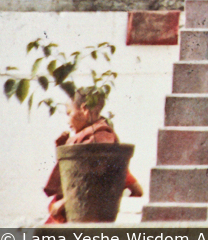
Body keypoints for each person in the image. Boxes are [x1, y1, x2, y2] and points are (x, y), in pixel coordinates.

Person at [43, 89, 143, 224]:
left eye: (69, 113)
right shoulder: (95, 139)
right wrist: (64, 149)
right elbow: (135, 188)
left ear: (84, 110)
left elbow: (94, 181)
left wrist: (64, 202)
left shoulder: (99, 139)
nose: (68, 121)